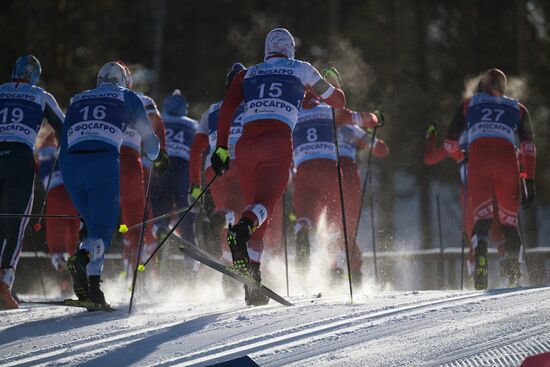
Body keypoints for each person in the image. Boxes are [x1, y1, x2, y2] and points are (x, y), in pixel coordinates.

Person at [211, 28, 346, 305]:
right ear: (291, 49)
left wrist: (222, 148)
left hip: (245, 145)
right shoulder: (302, 68)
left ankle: (252, 282)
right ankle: (239, 232)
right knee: (262, 208)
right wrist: (332, 83)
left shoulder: (247, 73)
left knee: (256, 209)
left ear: (267, 49)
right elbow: (338, 102)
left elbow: (226, 108)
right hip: (276, 142)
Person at [61, 61, 160, 307]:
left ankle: (93, 288)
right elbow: (152, 144)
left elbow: (63, 139)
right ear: (123, 80)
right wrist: (154, 155)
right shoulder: (128, 96)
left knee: (93, 228)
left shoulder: (77, 99)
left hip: (71, 166)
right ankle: (82, 259)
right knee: (103, 233)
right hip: (102, 161)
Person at [292, 68, 385, 286]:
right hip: (339, 173)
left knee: (309, 214)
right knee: (341, 224)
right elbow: (379, 145)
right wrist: (376, 119)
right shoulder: (335, 113)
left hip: (304, 168)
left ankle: (305, 231)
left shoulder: (294, 109)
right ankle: (349, 270)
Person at [444, 68, 536, 289]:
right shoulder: (518, 107)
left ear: (482, 86)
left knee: (482, 221)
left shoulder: (469, 104)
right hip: (507, 163)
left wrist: (461, 157)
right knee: (509, 222)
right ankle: (513, 271)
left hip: (478, 162)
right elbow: (528, 146)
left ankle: (481, 260)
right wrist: (529, 180)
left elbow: (449, 144)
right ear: (504, 87)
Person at [0, 55, 65, 309]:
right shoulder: (41, 95)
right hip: (19, 159)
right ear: (34, 75)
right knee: (15, 223)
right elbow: (65, 127)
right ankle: (4, 283)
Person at [424, 121, 506, 279]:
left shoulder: (459, 137)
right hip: (493, 185)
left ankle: (475, 275)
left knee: (474, 234)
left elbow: (429, 159)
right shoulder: (492, 132)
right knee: (496, 232)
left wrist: (431, 136)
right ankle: (508, 267)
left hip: (471, 188)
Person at [116, 62, 167, 280]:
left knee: (126, 219)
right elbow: (157, 124)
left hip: (107, 160)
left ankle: (130, 270)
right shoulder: (142, 100)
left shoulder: (105, 98)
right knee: (141, 216)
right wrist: (160, 153)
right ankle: (145, 270)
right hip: (130, 162)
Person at [36, 129, 80, 295]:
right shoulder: (64, 154)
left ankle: (65, 283)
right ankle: (79, 280)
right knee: (72, 244)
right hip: (72, 196)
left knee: (56, 247)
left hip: (55, 198)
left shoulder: (42, 157)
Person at [152, 89, 197, 252]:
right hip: (183, 169)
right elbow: (201, 149)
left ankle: (161, 229)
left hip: (161, 168)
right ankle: (190, 259)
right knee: (186, 216)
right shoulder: (192, 124)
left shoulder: (159, 120)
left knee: (159, 210)